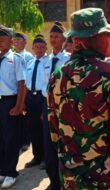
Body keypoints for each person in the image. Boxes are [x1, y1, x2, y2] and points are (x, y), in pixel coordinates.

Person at [47, 8, 110, 189]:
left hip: (72, 178)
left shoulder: (57, 76)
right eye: (105, 34)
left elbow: (54, 131)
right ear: (88, 39)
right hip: (107, 178)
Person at [42, 21, 70, 190]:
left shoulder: (69, 59)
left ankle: (67, 180)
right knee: (49, 144)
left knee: (65, 144)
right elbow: (42, 86)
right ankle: (54, 181)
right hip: (48, 107)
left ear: (64, 39)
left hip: (64, 108)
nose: (53, 39)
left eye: (56, 36)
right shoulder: (46, 60)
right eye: (51, 36)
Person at [0, 26, 26, 188]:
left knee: (10, 139)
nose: (0, 41)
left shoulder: (15, 58)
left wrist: (19, 105)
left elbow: (22, 84)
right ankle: (2, 170)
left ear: (11, 41)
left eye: (3, 38)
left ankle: (11, 172)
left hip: (10, 101)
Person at [24, 34, 49, 169]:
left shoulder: (49, 61)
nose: (39, 49)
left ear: (46, 48)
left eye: (41, 47)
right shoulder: (30, 62)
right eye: (36, 47)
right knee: (33, 128)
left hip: (42, 97)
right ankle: (37, 156)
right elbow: (26, 81)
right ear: (33, 48)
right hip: (30, 97)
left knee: (44, 129)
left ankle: (46, 158)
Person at [13, 32, 34, 152]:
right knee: (16, 118)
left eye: (19, 40)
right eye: (15, 40)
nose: (16, 42)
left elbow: (28, 76)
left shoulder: (28, 57)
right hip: (14, 91)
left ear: (25, 42)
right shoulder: (12, 56)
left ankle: (26, 141)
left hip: (25, 90)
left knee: (25, 118)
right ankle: (19, 140)